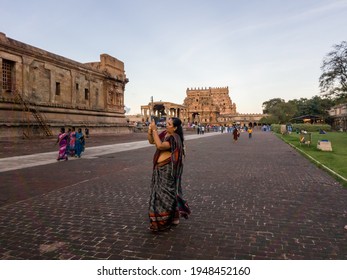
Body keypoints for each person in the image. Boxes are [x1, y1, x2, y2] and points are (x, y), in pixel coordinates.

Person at [147, 117, 190, 232]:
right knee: (162, 193)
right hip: (160, 169)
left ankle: (163, 220)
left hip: (167, 170)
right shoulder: (166, 134)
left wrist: (155, 130)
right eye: (167, 123)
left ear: (175, 128)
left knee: (165, 194)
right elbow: (153, 141)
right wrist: (150, 131)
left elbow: (160, 146)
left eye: (169, 124)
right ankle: (173, 217)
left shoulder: (174, 138)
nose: (166, 125)